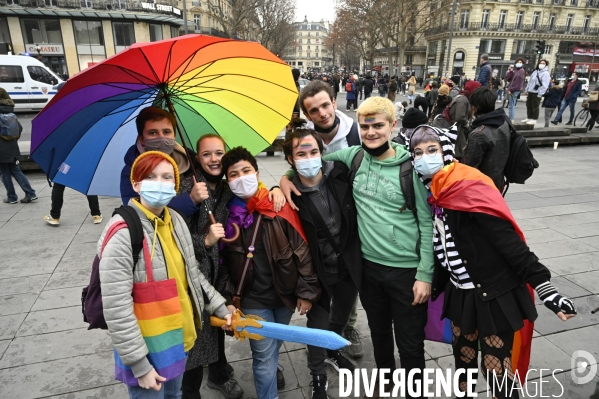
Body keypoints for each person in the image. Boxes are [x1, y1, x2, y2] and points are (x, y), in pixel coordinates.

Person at [408, 126, 576, 398]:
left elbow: (508, 241)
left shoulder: (466, 185)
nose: (425, 157)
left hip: (493, 293)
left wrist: (546, 290)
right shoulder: (434, 192)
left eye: (432, 150)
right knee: (463, 362)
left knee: (495, 368)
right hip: (460, 292)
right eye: (417, 152)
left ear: (447, 151)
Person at [320, 97, 435, 397]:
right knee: (380, 334)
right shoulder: (355, 156)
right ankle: (387, 382)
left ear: (393, 126)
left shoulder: (411, 168)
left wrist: (425, 274)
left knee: (410, 343)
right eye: (365, 125)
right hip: (369, 271)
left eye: (378, 125)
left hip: (406, 273)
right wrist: (286, 178)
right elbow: (311, 165)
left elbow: (426, 223)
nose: (371, 132)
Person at [100, 150, 233, 399]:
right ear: (136, 183)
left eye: (167, 177)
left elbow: (192, 275)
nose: (160, 184)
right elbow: (117, 308)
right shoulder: (123, 231)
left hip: (177, 342)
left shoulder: (175, 221)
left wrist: (220, 307)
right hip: (147, 352)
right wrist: (140, 364)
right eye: (151, 177)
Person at [217, 147, 321, 399]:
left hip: (284, 295)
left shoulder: (278, 205)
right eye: (233, 174)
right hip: (252, 299)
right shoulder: (225, 216)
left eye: (246, 171)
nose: (241, 177)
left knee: (274, 346)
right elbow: (221, 264)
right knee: (263, 356)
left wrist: (306, 292)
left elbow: (301, 251)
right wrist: (228, 300)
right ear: (227, 181)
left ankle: (275, 364)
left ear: (257, 172)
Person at [286, 80, 365, 358]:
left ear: (334, 101)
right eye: (313, 110)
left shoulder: (356, 132)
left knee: (349, 277)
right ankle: (325, 336)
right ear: (307, 115)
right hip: (320, 210)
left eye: (324, 105)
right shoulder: (306, 136)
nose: (321, 113)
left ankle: (348, 327)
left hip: (352, 212)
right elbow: (298, 164)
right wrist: (285, 179)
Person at [283, 127, 362, 398]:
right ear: (291, 160)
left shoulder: (339, 174)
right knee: (318, 324)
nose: (308, 157)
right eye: (300, 153)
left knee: (340, 315)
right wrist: (281, 182)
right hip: (318, 274)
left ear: (321, 152)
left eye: (313, 151)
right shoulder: (290, 195)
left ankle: (332, 350)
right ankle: (317, 374)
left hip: (348, 267)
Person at [121, 107, 203, 219]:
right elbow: (140, 215)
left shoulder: (191, 161)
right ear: (141, 139)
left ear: (174, 135)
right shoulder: (131, 171)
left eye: (166, 132)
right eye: (153, 133)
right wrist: (191, 199)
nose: (161, 138)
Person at [463, 87, 510, 190]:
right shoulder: (504, 123)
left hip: (481, 187)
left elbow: (470, 167)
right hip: (498, 180)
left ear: (474, 108)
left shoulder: (479, 134)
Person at [0, 88, 37, 205]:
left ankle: (12, 197)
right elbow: (19, 128)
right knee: (16, 170)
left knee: (4, 172)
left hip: (1, 148)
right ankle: (30, 193)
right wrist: (11, 139)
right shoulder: (10, 111)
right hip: (13, 146)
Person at [432, 80, 481, 159]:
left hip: (455, 127)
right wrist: (467, 125)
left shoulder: (463, 97)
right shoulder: (463, 99)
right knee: (456, 151)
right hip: (455, 128)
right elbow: (459, 117)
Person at [522, 59, 551, 126]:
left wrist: (540, 93)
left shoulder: (546, 73)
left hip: (537, 92)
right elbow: (530, 81)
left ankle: (534, 119)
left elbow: (545, 85)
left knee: (535, 105)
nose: (541, 64)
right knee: (529, 104)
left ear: (546, 65)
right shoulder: (535, 72)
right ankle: (529, 117)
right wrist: (527, 89)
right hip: (531, 91)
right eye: (540, 63)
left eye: (543, 63)